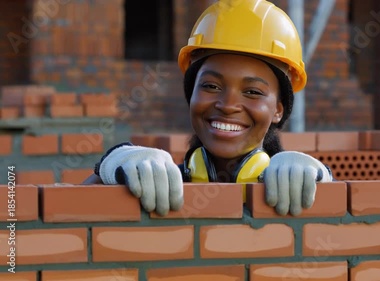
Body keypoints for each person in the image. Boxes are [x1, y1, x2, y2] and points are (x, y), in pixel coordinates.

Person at [84, 0, 334, 216]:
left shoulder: (297, 185)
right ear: (191, 94)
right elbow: (60, 217)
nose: (227, 105)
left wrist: (323, 181)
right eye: (211, 86)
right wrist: (111, 164)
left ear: (278, 109)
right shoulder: (156, 182)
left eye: (252, 92)